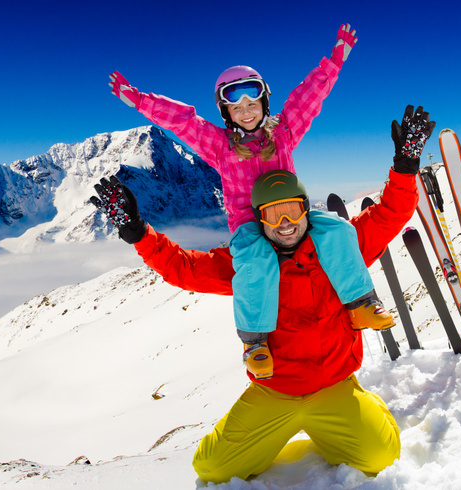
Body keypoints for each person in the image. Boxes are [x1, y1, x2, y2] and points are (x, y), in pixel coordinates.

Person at [91, 105, 435, 483]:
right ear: (259, 220)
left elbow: (390, 213)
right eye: (274, 215)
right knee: (211, 468)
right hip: (274, 392)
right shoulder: (248, 265)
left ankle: (356, 416)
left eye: (292, 212)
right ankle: (288, 437)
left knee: (382, 457)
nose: (285, 224)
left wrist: (405, 165)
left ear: (308, 210)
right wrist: (137, 231)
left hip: (333, 387)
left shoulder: (340, 249)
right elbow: (183, 269)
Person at [107, 24, 392, 380]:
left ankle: (361, 303)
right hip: (250, 227)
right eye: (235, 106)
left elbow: (308, 99)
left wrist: (334, 61)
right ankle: (256, 343)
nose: (245, 112)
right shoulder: (220, 146)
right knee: (255, 262)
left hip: (294, 215)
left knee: (337, 230)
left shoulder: (284, 135)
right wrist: (140, 101)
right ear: (226, 112)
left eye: (252, 103)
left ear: (263, 102)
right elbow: (185, 123)